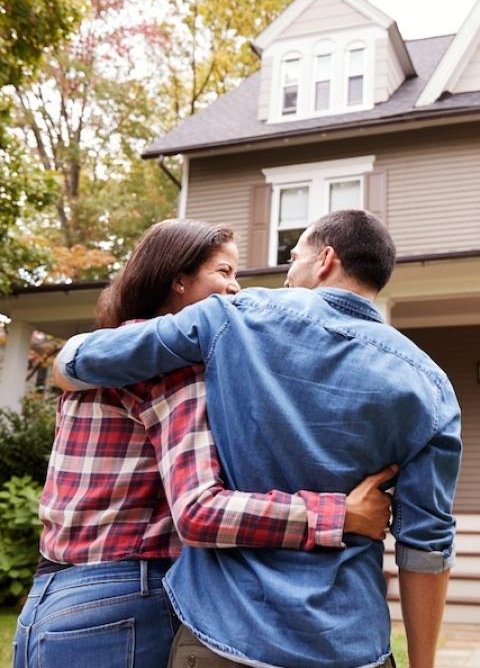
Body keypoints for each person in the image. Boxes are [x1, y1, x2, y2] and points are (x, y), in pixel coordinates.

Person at [53, 209, 461, 668]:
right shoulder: (432, 386)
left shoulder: (233, 318)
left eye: (294, 256)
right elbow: (426, 546)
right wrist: (422, 663)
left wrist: (66, 362)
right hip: (348, 642)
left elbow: (84, 360)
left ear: (324, 259)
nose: (286, 273)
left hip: (226, 635)